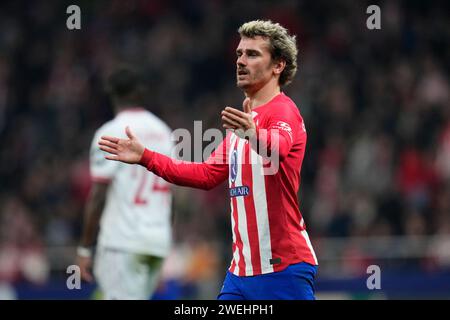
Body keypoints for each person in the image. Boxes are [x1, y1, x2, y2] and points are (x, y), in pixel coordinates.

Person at [98, 20, 318, 300]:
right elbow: (205, 175)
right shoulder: (244, 123)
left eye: (252, 54)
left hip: (282, 269)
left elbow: (279, 148)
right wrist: (145, 156)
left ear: (278, 65)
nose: (241, 60)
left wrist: (253, 134)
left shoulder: (283, 111)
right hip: (240, 274)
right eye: (239, 53)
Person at [76, 68, 174, 300]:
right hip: (157, 241)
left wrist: (84, 248)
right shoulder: (165, 132)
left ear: (111, 95)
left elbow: (98, 195)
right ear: (141, 93)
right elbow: (171, 194)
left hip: (123, 242)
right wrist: (164, 243)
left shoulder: (110, 132)